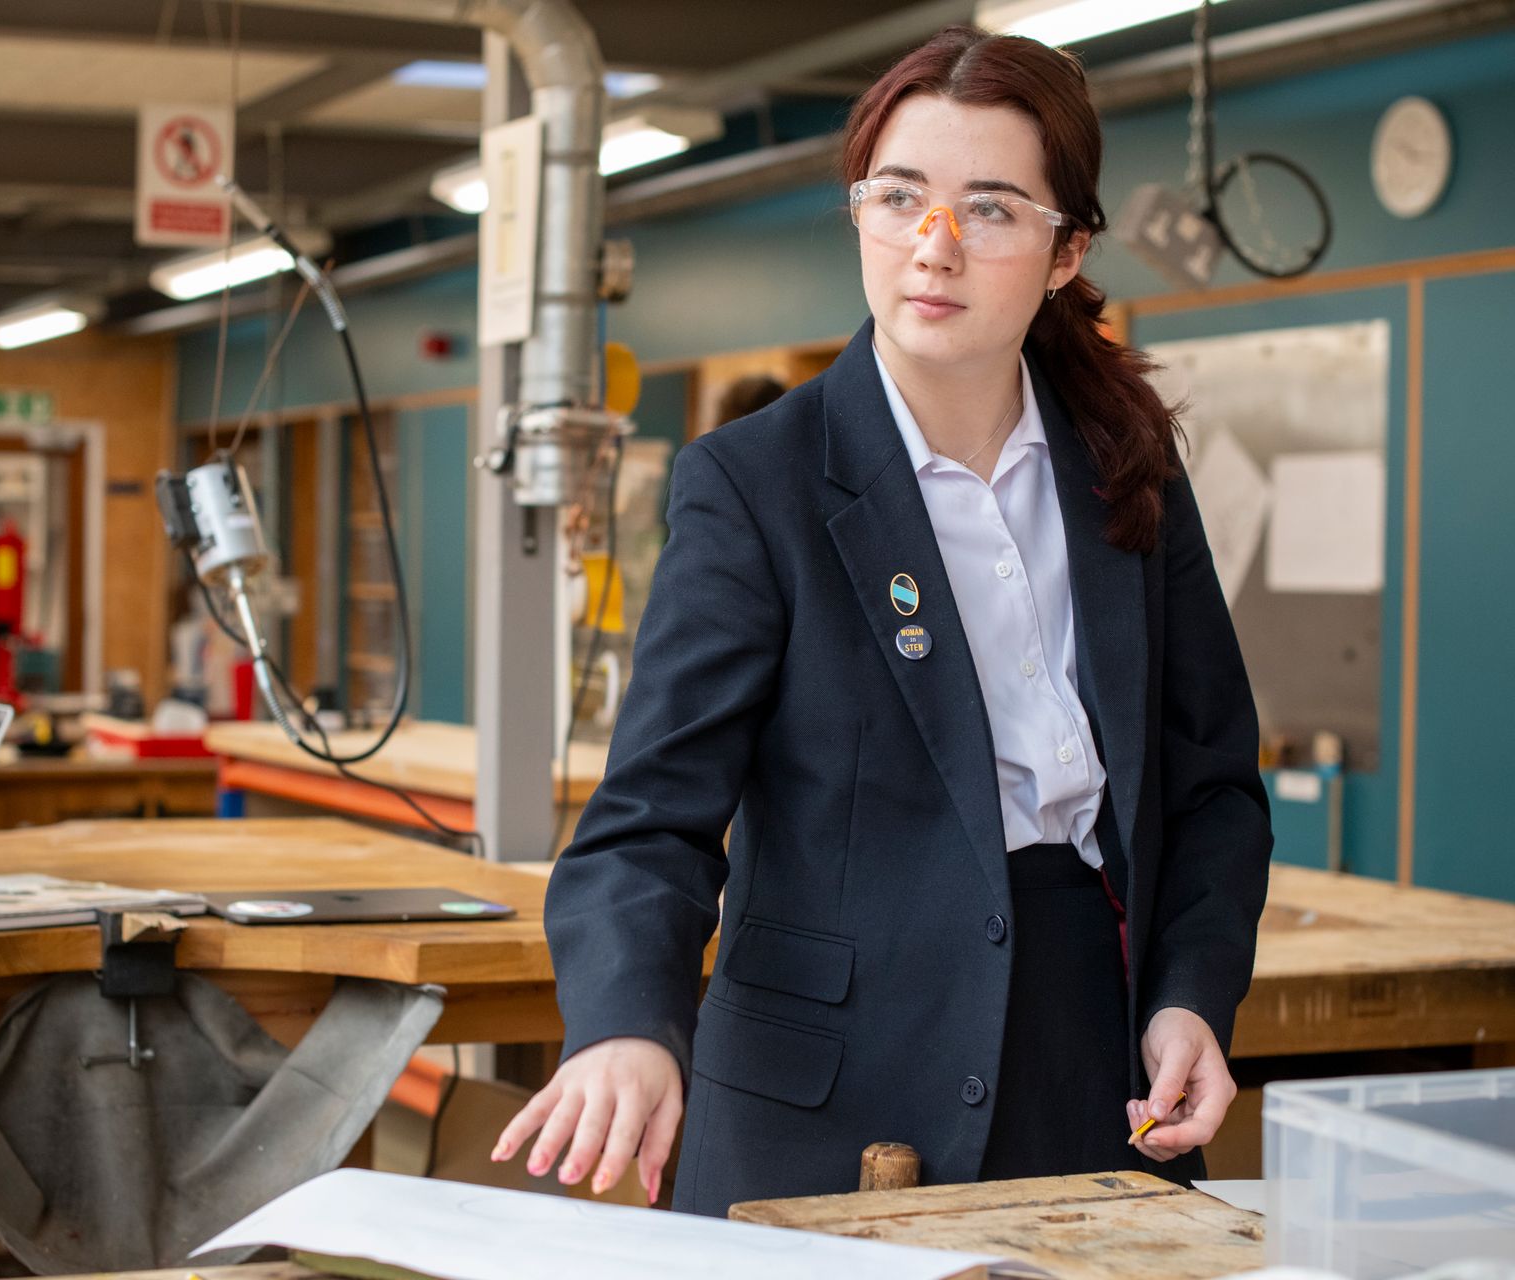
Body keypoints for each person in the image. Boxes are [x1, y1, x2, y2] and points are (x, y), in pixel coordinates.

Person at [491, 25, 1273, 1217]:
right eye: (900, 195)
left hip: (1093, 1073)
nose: (935, 245)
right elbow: (649, 819)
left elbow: (1212, 785)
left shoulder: (1127, 467)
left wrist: (1190, 997)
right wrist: (627, 1023)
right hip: (827, 1102)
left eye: (993, 208)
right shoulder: (757, 482)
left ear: (1067, 251)